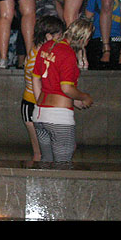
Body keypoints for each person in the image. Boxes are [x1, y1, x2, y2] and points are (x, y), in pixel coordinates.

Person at [31, 18, 94, 163]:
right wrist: (84, 97)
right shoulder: (68, 53)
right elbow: (66, 88)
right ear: (83, 38)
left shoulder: (47, 46)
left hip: (40, 113)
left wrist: (40, 103)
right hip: (59, 117)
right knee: (63, 165)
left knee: (46, 162)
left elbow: (36, 78)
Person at [22, 15, 65, 161]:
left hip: (39, 103)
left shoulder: (41, 51)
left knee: (48, 151)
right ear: (48, 36)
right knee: (40, 153)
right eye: (59, 35)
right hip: (33, 103)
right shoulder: (39, 55)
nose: (62, 39)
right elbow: (41, 82)